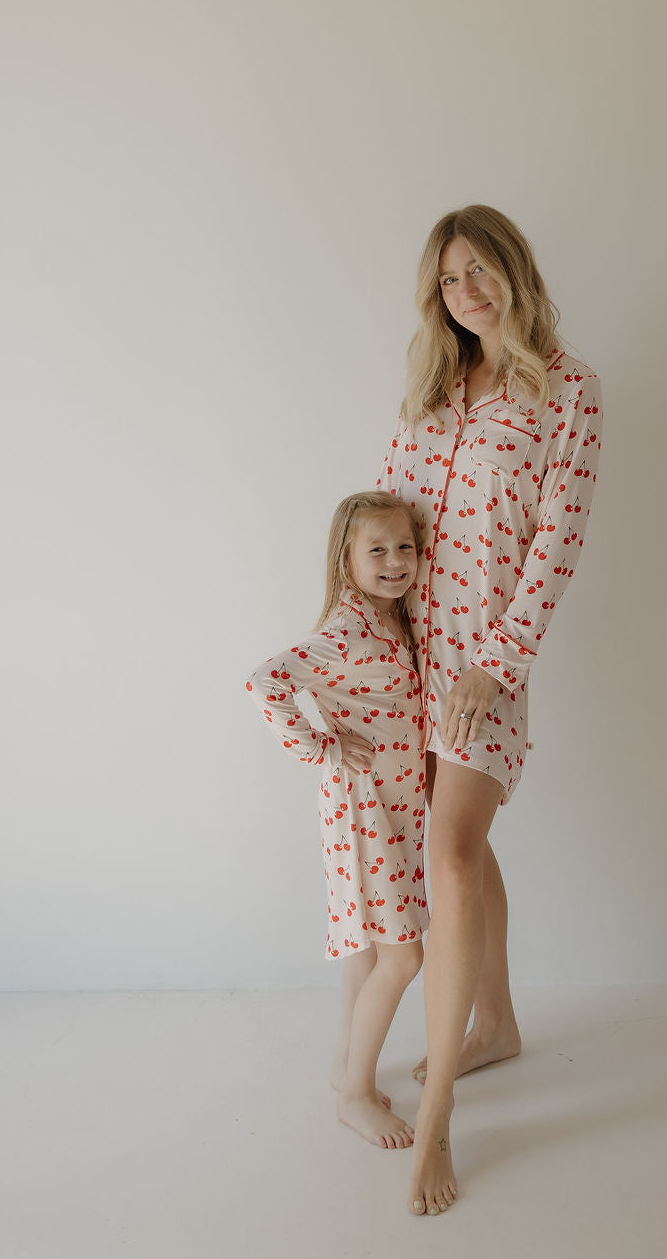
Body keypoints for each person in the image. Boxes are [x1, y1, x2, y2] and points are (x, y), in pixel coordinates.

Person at [378, 205, 602, 1215]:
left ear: (512, 269)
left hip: (484, 667)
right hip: (407, 659)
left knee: (452, 855)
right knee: (459, 848)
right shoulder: (431, 390)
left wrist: (495, 664)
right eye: (446, 282)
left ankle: (435, 1134)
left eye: (478, 272)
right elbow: (386, 519)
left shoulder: (567, 392)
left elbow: (555, 550)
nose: (464, 294)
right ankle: (496, 1024)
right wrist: (362, 648)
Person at [246, 491, 429, 1150]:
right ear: (345, 559)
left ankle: (344, 1065)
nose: (394, 561)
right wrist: (320, 747)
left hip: (395, 807)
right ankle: (355, 1095)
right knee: (403, 958)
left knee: (372, 948)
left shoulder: (391, 619)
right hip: (366, 811)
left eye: (404, 547)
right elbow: (265, 682)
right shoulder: (347, 629)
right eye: (376, 550)